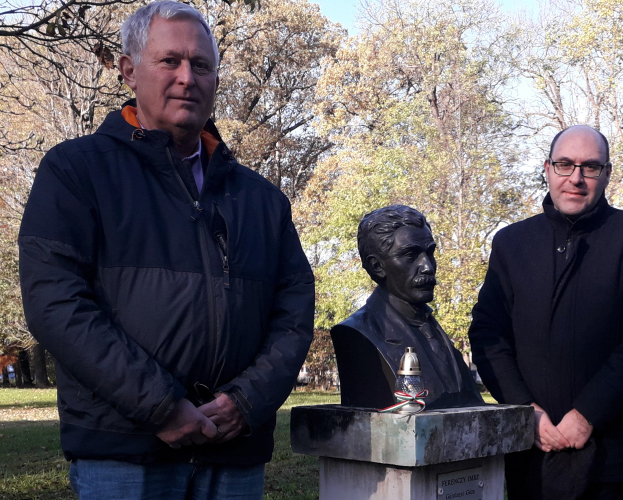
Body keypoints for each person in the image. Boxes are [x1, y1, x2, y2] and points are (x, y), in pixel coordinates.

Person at [18, 2, 314, 499]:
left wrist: (247, 400)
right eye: (170, 61)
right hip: (125, 455)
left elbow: (294, 312)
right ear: (129, 70)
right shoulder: (76, 172)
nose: (186, 77)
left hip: (233, 453)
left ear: (216, 80)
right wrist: (160, 406)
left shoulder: (261, 200)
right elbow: (55, 303)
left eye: (201, 65)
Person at [468, 125, 623, 499]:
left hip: (607, 455)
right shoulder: (511, 244)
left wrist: (587, 415)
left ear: (607, 173)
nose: (576, 178)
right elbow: (488, 335)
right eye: (565, 164)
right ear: (547, 168)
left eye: (590, 167)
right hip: (525, 452)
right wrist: (524, 412)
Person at [331, 205, 484, 410]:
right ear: (377, 266)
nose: (428, 267)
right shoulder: (358, 332)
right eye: (410, 256)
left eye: (430, 253)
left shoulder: (434, 329)